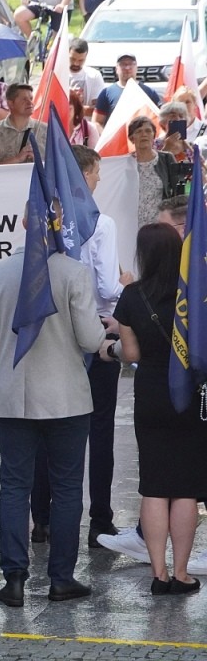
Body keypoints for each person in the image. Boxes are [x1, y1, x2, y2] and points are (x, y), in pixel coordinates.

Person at [0, 211, 111, 607]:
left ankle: (14, 579)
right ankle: (61, 578)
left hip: (14, 399)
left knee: (15, 487)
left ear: (22, 225)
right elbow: (90, 340)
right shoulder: (73, 272)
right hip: (67, 399)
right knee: (67, 489)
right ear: (59, 227)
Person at [29, 146, 130, 547]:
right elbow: (106, 285)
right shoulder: (100, 223)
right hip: (97, 329)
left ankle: (42, 518)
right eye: (96, 173)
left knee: (48, 424)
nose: (99, 179)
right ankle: (99, 520)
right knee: (100, 428)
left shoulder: (45, 219)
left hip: (52, 329)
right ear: (83, 175)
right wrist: (126, 284)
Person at [113, 223, 207, 595]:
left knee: (153, 484)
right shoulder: (197, 293)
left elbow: (130, 353)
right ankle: (182, 574)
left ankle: (159, 574)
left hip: (151, 392)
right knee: (185, 487)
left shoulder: (132, 295)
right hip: (189, 393)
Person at [129, 116, 188, 227]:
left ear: (154, 135)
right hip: (131, 226)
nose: (144, 134)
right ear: (132, 138)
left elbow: (178, 194)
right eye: (139, 131)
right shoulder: (126, 163)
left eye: (148, 131)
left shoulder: (166, 159)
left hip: (161, 226)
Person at [0, 84, 45, 165]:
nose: (30, 103)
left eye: (31, 98)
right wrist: (17, 159)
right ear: (11, 103)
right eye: (24, 99)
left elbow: (56, 162)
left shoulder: (45, 130)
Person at [93, 55, 161, 126]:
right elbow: (97, 122)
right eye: (123, 64)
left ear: (136, 68)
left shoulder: (149, 92)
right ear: (116, 69)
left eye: (131, 64)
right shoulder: (106, 93)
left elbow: (160, 120)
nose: (127, 68)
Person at [68, 38, 106, 117]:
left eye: (81, 60)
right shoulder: (58, 73)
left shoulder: (94, 76)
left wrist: (73, 109)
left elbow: (98, 110)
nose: (76, 63)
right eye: (72, 59)